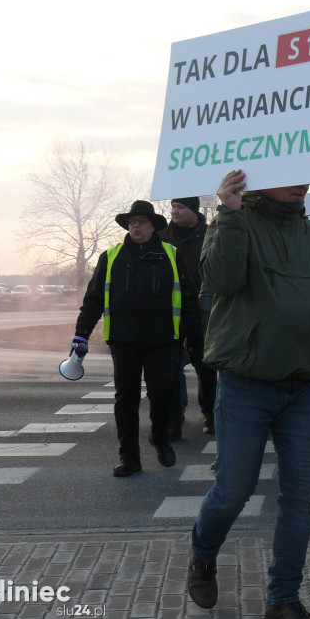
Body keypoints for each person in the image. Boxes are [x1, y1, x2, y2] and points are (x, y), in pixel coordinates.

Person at [188, 170, 310, 619]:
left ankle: (283, 601)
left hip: (304, 390)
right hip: (245, 384)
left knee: (300, 498)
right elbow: (220, 279)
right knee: (234, 489)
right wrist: (230, 213)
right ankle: (202, 554)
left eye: (307, 175)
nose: (301, 183)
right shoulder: (233, 222)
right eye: (290, 175)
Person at [74, 200, 202, 478]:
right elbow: (94, 299)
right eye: (132, 222)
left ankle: (160, 439)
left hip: (163, 340)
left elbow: (189, 298)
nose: (135, 226)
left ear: (153, 226)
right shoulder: (111, 257)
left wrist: (194, 336)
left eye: (141, 221)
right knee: (126, 399)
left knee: (162, 394)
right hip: (124, 340)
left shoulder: (171, 254)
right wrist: (81, 334)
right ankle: (129, 457)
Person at [160, 196, 217, 438]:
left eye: (181, 207)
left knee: (207, 367)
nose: (175, 211)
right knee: (172, 366)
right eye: (173, 207)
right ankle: (175, 418)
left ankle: (210, 414)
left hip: (202, 311)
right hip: (169, 313)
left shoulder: (209, 235)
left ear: (194, 210)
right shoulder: (162, 236)